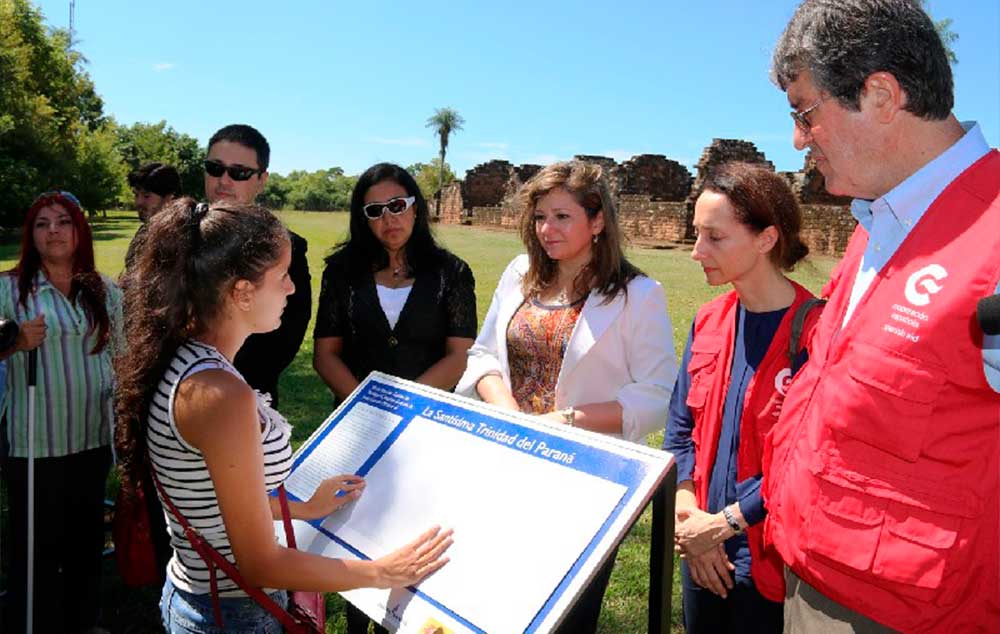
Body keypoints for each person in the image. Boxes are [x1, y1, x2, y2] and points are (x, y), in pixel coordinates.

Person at [763, 1, 1000, 632]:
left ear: (881, 94)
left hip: (911, 613)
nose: (797, 139)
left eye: (804, 112)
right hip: (809, 573)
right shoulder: (879, 222)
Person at [114, 197, 453, 633]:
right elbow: (260, 564)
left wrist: (303, 507)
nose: (292, 289)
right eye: (281, 277)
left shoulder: (185, 361)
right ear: (241, 292)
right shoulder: (219, 394)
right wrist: (381, 572)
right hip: (232, 614)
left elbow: (218, 498)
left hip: (197, 595)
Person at [456, 160, 677, 633]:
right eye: (539, 217)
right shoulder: (519, 273)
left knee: (564, 618)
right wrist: (510, 415)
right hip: (506, 461)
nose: (546, 229)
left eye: (562, 216)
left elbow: (658, 395)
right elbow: (483, 356)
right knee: (495, 605)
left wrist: (567, 421)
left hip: (586, 480)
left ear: (597, 221)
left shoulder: (639, 294)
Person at [313, 162, 476, 633]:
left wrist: (409, 409)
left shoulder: (450, 273)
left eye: (399, 205)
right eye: (375, 210)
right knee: (353, 530)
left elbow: (459, 355)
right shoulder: (341, 273)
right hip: (355, 426)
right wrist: (369, 407)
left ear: (416, 207)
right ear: (362, 217)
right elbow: (326, 355)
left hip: (427, 429)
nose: (390, 219)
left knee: (415, 531)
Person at [662, 162, 815, 633]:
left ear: (766, 239)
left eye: (714, 237)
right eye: (696, 234)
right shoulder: (709, 320)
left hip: (770, 562)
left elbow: (805, 461)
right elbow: (678, 431)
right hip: (701, 547)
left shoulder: (815, 333)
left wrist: (724, 524)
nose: (696, 251)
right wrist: (692, 522)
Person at [0, 190, 123, 633]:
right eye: (41, 223)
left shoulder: (104, 290)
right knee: (34, 548)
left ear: (79, 230)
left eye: (63, 222)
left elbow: (124, 359)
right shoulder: (8, 288)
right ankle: (30, 623)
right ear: (30, 235)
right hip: (35, 442)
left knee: (85, 542)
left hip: (91, 439)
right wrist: (14, 342)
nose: (53, 231)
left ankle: (82, 621)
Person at [204, 124, 311, 408]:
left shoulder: (290, 248)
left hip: (252, 396)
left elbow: (286, 338)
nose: (224, 180)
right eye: (215, 168)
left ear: (261, 180)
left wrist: (226, 383)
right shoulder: (174, 237)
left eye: (239, 173)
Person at [125, 162, 182, 271]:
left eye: (146, 196)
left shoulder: (180, 239)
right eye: (136, 195)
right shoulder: (144, 231)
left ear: (169, 198)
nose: (138, 202)